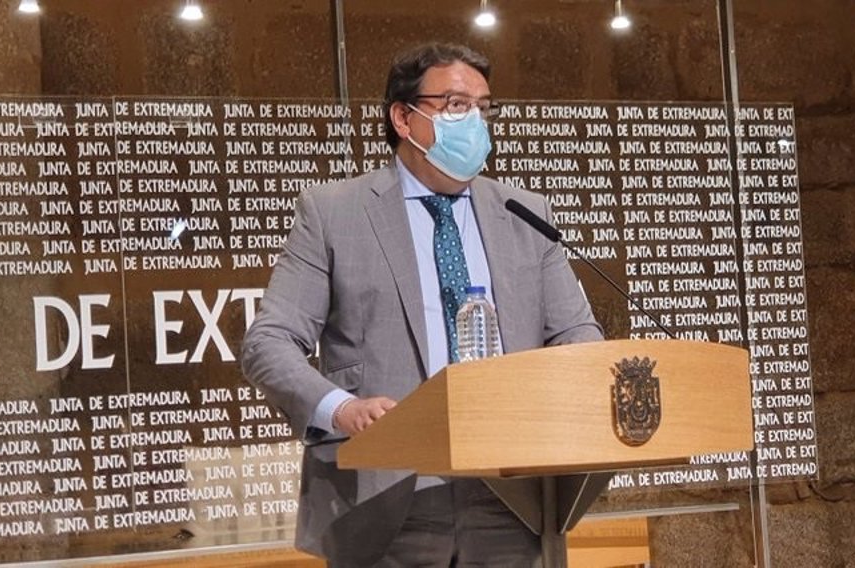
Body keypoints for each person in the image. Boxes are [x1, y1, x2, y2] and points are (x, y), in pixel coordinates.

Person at [241, 42, 602, 566]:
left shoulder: (525, 213)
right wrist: (341, 409)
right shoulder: (334, 213)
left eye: (483, 108)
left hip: (515, 493)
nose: (474, 122)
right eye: (456, 105)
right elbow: (268, 343)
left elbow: (576, 334)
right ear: (403, 118)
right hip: (388, 494)